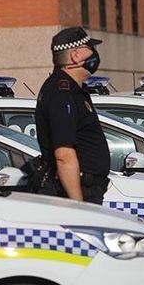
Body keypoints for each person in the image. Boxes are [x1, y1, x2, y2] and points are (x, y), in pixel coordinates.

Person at [35, 27, 111, 204]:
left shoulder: (72, 89)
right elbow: (64, 154)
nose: (94, 53)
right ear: (76, 56)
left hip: (88, 189)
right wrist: (78, 205)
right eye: (90, 48)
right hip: (77, 192)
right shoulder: (62, 93)